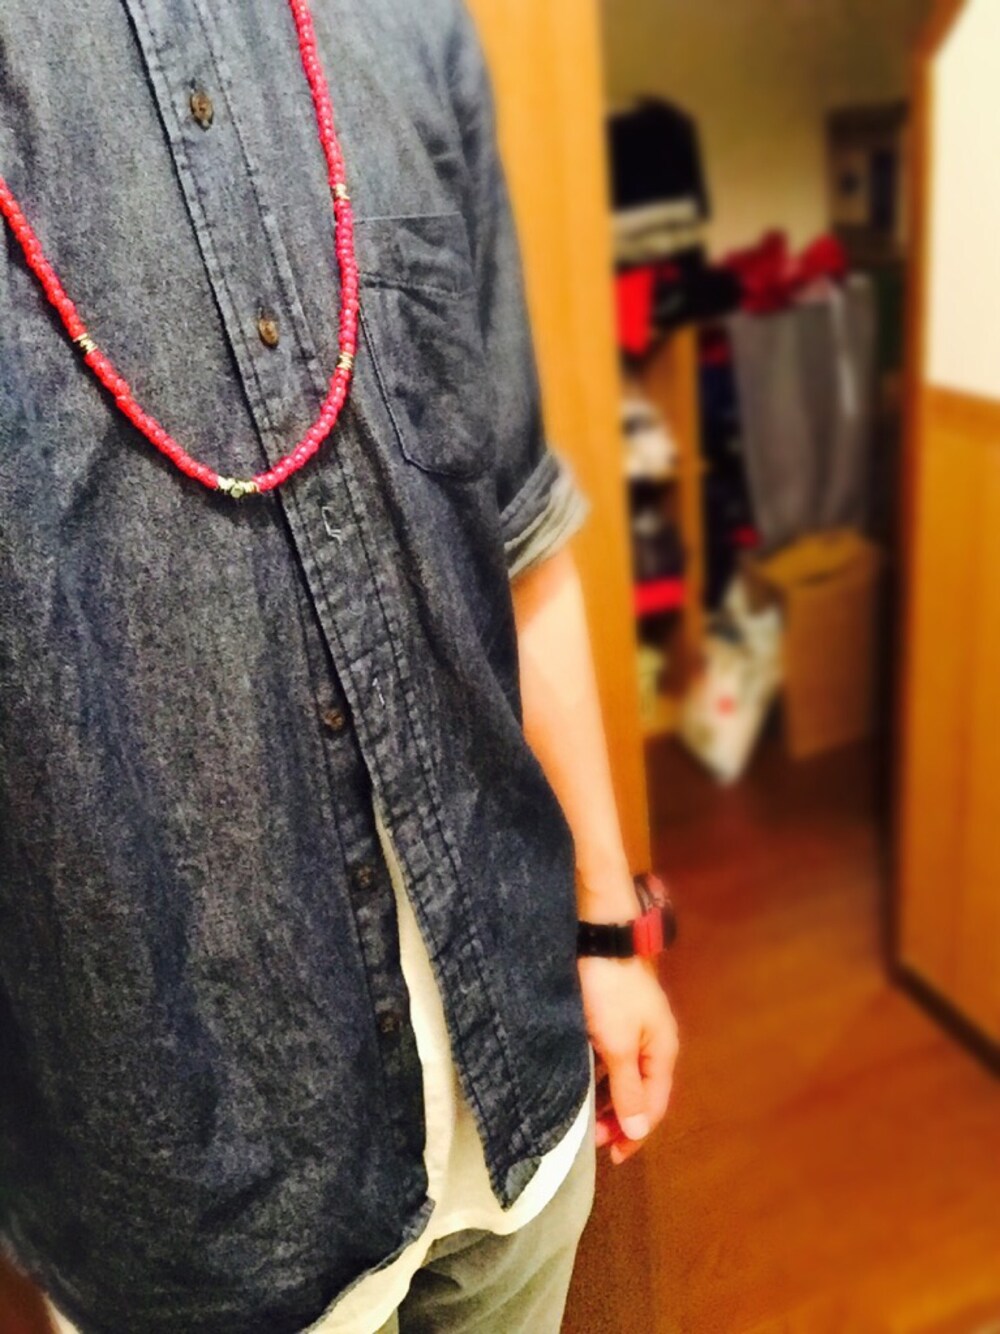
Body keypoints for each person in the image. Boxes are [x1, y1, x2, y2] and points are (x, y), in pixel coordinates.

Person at [0, 1, 679, 1330]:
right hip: (199, 1220)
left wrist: (608, 925)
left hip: (514, 1094)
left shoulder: (408, 25)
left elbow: (516, 518)